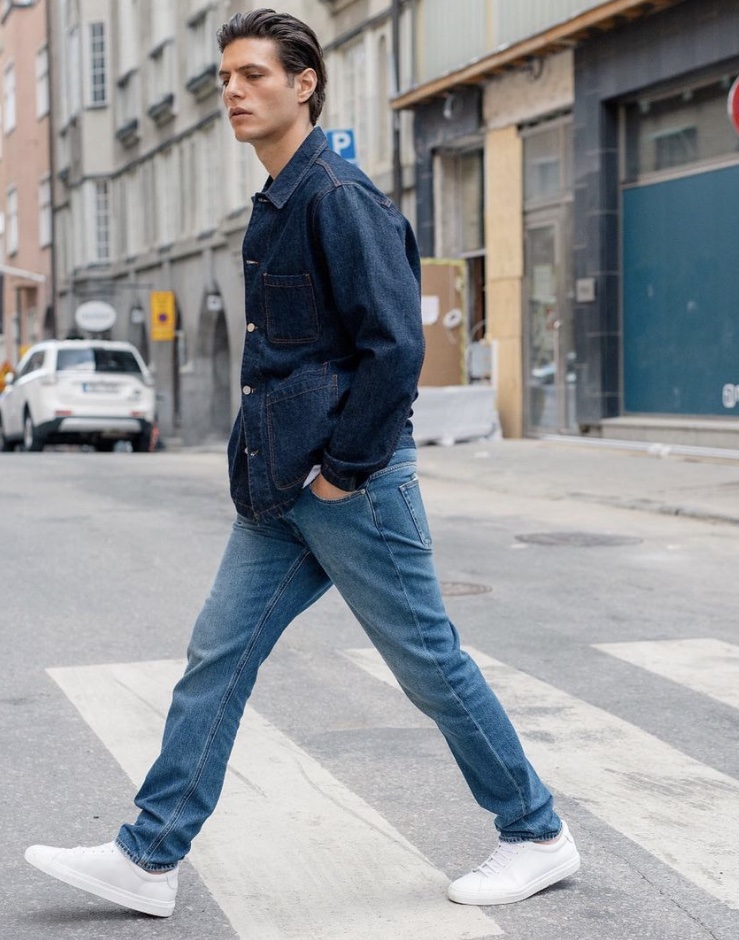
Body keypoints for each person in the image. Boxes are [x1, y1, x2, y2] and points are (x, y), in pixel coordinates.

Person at [24, 8, 579, 919]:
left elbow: (396, 347)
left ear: (304, 82)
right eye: (225, 80)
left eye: (253, 75)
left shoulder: (335, 196)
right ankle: (149, 857)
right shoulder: (279, 199)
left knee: (429, 666)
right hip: (282, 494)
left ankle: (535, 832)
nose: (233, 93)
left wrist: (345, 472)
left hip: (350, 488)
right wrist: (289, 479)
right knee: (216, 658)